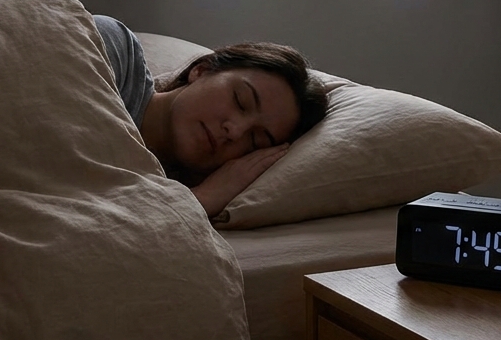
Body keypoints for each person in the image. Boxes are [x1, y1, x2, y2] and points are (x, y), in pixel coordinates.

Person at [94, 15, 328, 218]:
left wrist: (203, 198)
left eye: (255, 141)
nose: (234, 131)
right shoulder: (114, 51)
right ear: (202, 70)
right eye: (240, 101)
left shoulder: (164, 187)